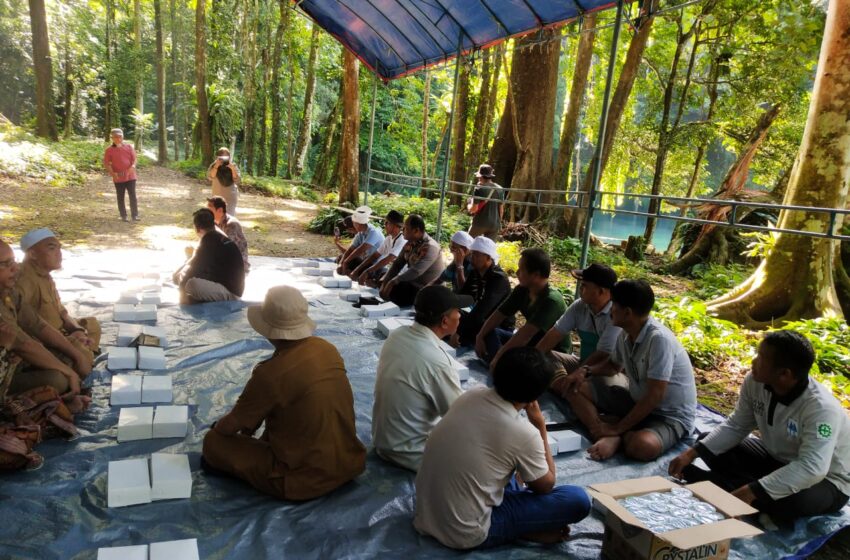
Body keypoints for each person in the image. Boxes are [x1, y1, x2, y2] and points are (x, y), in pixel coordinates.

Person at [414, 347, 591, 550]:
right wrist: (540, 425)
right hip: (465, 532)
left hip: (426, 513)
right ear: (537, 395)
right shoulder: (524, 433)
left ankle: (524, 526)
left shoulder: (471, 395)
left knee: (510, 469)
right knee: (577, 499)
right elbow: (546, 486)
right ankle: (524, 530)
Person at [202, 286, 366, 500]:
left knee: (213, 443)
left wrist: (218, 428)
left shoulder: (269, 374)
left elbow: (232, 426)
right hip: (349, 462)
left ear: (268, 329)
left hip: (304, 480)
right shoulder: (327, 348)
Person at [669, 331, 850, 523]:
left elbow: (813, 468)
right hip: (777, 458)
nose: (754, 361)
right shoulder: (755, 382)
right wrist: (691, 454)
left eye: (761, 357)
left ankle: (738, 491)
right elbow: (737, 425)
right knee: (705, 443)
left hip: (827, 480)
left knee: (791, 502)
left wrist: (751, 491)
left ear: (784, 374)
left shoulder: (821, 409)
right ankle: (745, 494)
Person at [566, 279, 697, 462]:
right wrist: (585, 371)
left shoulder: (659, 340)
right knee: (574, 387)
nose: (610, 310)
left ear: (627, 313)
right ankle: (605, 433)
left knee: (642, 446)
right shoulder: (626, 333)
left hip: (667, 416)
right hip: (636, 401)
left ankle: (615, 435)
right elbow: (613, 366)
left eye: (614, 305)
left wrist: (617, 428)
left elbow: (654, 397)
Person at [372, 285, 472, 471]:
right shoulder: (438, 363)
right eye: (457, 311)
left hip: (383, 441)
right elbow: (459, 418)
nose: (460, 315)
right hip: (411, 453)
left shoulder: (397, 335)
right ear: (444, 321)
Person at [0, 240, 90, 410]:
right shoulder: (24, 280)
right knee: (58, 380)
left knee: (75, 355)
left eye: (13, 261)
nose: (15, 268)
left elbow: (38, 325)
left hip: (16, 361)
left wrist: (77, 355)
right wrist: (68, 372)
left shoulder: (8, 292)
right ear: (33, 254)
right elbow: (24, 345)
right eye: (6, 264)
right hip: (7, 370)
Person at [536, 263, 620, 397]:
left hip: (604, 371)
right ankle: (565, 389)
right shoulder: (579, 306)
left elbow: (603, 354)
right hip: (583, 364)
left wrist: (577, 374)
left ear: (601, 291)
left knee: (579, 386)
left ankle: (567, 390)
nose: (580, 288)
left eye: (585, 285)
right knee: (544, 356)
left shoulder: (616, 314)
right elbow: (554, 334)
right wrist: (531, 362)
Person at [16, 228, 102, 361]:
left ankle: (84, 357)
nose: (59, 254)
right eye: (52, 249)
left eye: (59, 249)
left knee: (92, 325)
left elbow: (62, 312)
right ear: (33, 254)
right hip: (46, 341)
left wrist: (77, 330)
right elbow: (22, 324)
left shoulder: (45, 275)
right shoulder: (24, 279)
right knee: (80, 353)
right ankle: (82, 360)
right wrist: (67, 341)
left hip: (62, 333)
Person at [475, 248, 569, 367]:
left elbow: (525, 335)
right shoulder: (522, 290)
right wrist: (480, 336)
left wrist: (499, 355)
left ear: (536, 275)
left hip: (550, 352)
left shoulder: (552, 301)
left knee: (527, 363)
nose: (517, 272)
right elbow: (499, 315)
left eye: (521, 269)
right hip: (529, 344)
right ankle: (503, 367)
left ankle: (502, 366)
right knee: (489, 333)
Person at [173, 208, 245, 304]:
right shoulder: (215, 236)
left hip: (231, 292)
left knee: (191, 284)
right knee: (183, 276)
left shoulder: (209, 241)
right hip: (225, 284)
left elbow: (191, 271)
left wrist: (182, 293)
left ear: (197, 229)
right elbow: (193, 262)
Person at [452, 236, 512, 349]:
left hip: (497, 325)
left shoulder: (498, 279)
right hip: (480, 317)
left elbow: (482, 311)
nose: (471, 258)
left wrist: (458, 331)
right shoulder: (476, 272)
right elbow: (462, 296)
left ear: (488, 257)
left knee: (467, 328)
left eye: (476, 254)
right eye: (472, 254)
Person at [380, 214, 444, 307]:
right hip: (413, 285)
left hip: (428, 290)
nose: (402, 230)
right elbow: (397, 264)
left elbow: (416, 271)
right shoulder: (410, 243)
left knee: (394, 289)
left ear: (416, 230)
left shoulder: (430, 246)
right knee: (384, 280)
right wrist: (386, 281)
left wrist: (392, 282)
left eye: (405, 228)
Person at [350, 210, 406, 287]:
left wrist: (367, 272)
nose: (384, 225)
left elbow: (388, 259)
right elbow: (375, 255)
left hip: (400, 274)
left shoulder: (402, 240)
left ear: (394, 225)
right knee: (369, 270)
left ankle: (377, 283)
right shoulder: (388, 238)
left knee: (380, 278)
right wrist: (358, 270)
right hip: (388, 271)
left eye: (387, 223)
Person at [103, 128, 139, 222]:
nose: (118, 139)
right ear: (112, 138)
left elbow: (134, 159)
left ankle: (135, 215)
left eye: (120, 137)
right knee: (120, 196)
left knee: (132, 195)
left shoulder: (129, 147)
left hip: (131, 175)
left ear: (123, 137)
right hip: (118, 177)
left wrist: (133, 166)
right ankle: (123, 215)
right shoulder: (109, 150)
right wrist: (112, 173)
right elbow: (107, 163)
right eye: (116, 137)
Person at [206, 196, 250, 273]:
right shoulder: (215, 222)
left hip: (237, 264)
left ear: (220, 210)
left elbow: (226, 248)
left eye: (210, 210)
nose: (207, 213)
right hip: (225, 260)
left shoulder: (232, 224)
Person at [337, 206, 385, 276]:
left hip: (376, 264)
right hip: (366, 261)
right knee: (342, 258)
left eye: (354, 223)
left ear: (358, 223)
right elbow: (351, 249)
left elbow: (360, 249)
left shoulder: (373, 232)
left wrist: (345, 262)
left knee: (349, 263)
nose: (354, 226)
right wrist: (341, 263)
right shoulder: (360, 233)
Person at [467, 164, 504, 241]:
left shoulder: (479, 189)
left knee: (468, 243)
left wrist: (468, 205)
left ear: (480, 176)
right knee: (487, 249)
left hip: (480, 223)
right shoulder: (500, 189)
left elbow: (473, 209)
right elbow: (501, 210)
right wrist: (498, 223)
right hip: (494, 224)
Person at [208, 147, 241, 215]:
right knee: (217, 217)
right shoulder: (214, 165)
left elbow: (237, 179)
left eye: (226, 156)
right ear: (218, 156)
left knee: (229, 217)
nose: (224, 158)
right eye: (222, 156)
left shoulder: (233, 165)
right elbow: (211, 177)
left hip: (230, 197)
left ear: (229, 156)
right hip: (217, 197)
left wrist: (232, 169)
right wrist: (216, 166)